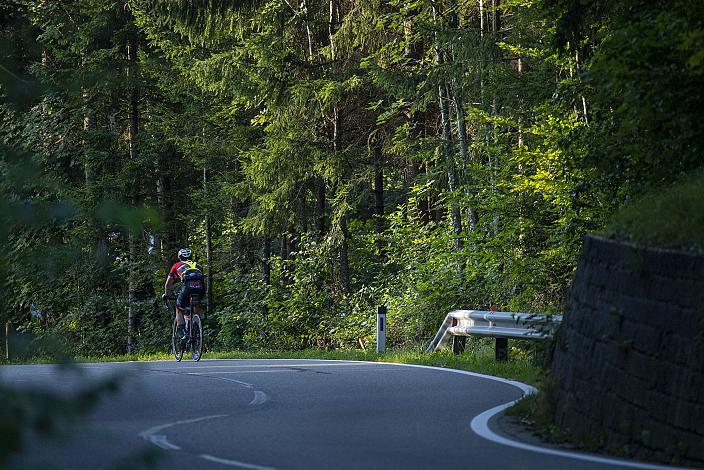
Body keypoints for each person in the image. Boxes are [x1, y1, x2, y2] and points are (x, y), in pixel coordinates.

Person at [162, 248, 205, 342]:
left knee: (179, 308)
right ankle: (197, 326)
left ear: (179, 257)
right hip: (201, 287)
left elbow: (168, 283)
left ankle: (184, 334)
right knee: (196, 303)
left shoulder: (176, 265)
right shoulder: (198, 265)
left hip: (188, 287)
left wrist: (167, 294)